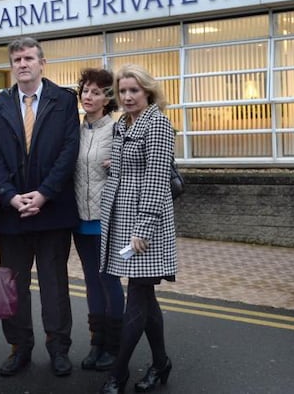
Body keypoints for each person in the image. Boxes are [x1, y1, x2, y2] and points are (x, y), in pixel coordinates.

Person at [0, 36, 80, 377]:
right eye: (16, 60)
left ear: (43, 63)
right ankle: (19, 348)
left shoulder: (64, 101)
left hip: (52, 211)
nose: (22, 64)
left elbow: (69, 152)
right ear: (11, 66)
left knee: (54, 286)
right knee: (14, 286)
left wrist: (43, 194)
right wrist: (10, 196)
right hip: (12, 213)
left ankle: (58, 348)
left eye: (28, 58)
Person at [98, 64, 177, 394]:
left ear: (148, 91)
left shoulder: (158, 124)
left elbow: (157, 181)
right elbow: (131, 164)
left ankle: (118, 374)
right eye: (123, 91)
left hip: (146, 225)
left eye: (134, 90)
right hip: (122, 219)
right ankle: (161, 365)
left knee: (137, 299)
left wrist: (143, 228)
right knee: (146, 301)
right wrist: (114, 165)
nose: (127, 96)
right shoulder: (123, 124)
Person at [72, 68, 125, 371]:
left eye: (96, 92)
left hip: (109, 219)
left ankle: (114, 346)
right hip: (80, 218)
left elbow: (135, 169)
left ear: (108, 99)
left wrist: (118, 164)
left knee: (109, 280)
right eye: (85, 91)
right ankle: (96, 342)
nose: (88, 97)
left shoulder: (118, 131)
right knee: (91, 281)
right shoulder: (75, 130)